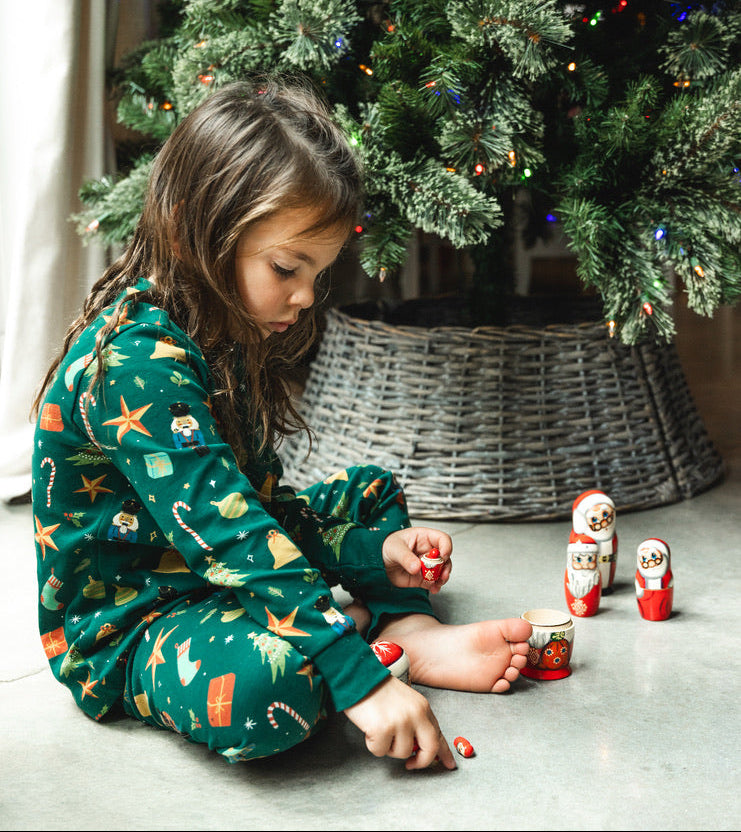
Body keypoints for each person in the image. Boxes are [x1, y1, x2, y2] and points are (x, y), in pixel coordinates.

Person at [31, 76, 532, 770]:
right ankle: (375, 648)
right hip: (141, 621)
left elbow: (260, 509)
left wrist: (365, 552)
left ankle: (400, 628)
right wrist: (358, 680)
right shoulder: (137, 365)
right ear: (196, 229)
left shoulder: (222, 328)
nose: (304, 297)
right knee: (269, 689)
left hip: (226, 565)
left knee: (371, 496)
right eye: (287, 267)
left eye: (316, 274)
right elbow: (232, 534)